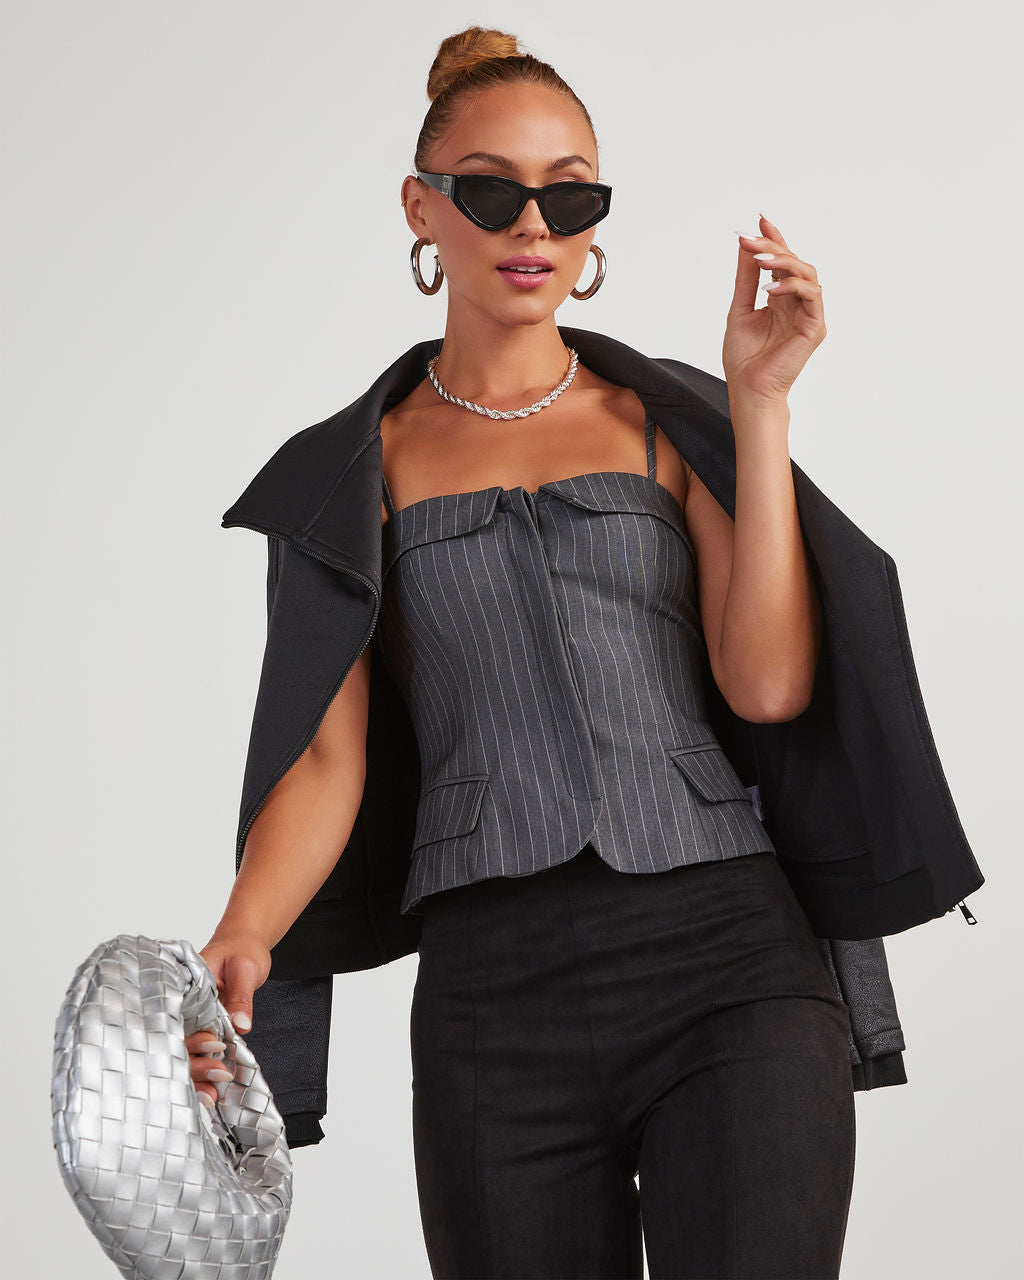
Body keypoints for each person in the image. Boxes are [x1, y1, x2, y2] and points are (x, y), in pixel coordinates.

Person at [183, 24, 965, 1280]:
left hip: (732, 962)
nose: (533, 224)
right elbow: (325, 758)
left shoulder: (667, 419)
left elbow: (768, 684)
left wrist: (760, 402)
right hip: (493, 1002)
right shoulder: (351, 472)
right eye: (490, 190)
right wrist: (245, 928)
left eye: (570, 194)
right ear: (420, 209)